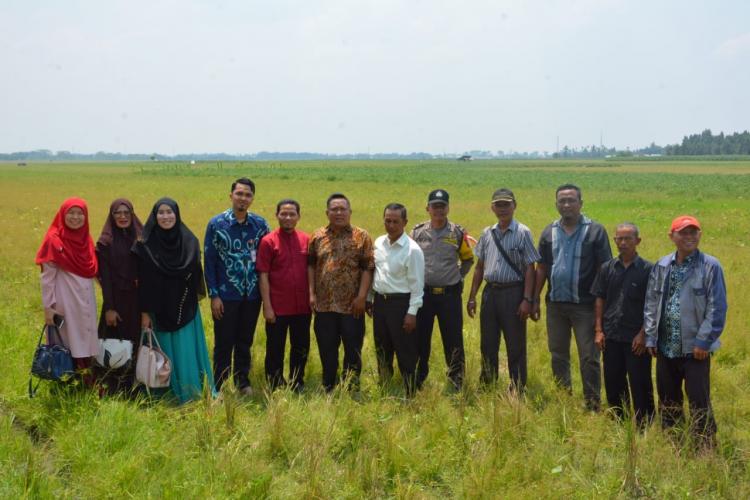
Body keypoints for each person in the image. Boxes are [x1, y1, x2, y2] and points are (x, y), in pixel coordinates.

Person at [644, 215, 727, 447]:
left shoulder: (710, 266)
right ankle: (673, 441)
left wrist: (704, 341)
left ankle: (705, 444)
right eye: (684, 232)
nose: (690, 237)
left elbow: (717, 307)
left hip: (695, 349)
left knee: (699, 399)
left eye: (694, 232)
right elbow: (651, 302)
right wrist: (651, 336)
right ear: (672, 236)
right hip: (666, 346)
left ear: (700, 235)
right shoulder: (661, 266)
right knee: (668, 398)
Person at [533, 184, 612, 410]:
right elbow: (542, 267)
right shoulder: (549, 232)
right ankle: (563, 398)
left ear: (581, 203)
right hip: (556, 305)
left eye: (571, 200)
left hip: (585, 306)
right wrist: (535, 298)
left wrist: (602, 306)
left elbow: (604, 269)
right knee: (558, 354)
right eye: (562, 201)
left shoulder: (596, 231)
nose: (566, 204)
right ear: (556, 204)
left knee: (589, 357)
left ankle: (592, 403)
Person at [134, 198, 214, 404]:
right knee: (160, 352)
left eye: (170, 212)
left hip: (184, 309)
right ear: (154, 216)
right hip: (156, 312)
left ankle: (190, 392)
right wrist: (144, 312)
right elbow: (141, 283)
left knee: (185, 352)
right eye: (161, 212)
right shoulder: (144, 245)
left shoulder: (189, 241)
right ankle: (162, 395)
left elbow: (196, 276)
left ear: (177, 215)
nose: (166, 216)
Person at [467, 188, 540, 392]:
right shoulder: (486, 233)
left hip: (513, 293)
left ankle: (517, 386)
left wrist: (527, 299)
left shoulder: (522, 232)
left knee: (515, 343)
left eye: (506, 204)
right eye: (498, 205)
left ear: (514, 205)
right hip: (490, 293)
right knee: (488, 342)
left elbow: (530, 268)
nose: (502, 209)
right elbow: (479, 267)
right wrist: (472, 296)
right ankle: (488, 383)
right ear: (492, 207)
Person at [204, 178, 270, 396]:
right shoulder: (217, 224)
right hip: (225, 294)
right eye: (239, 194)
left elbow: (266, 261)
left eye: (247, 195)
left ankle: (242, 380)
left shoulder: (260, 225)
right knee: (224, 341)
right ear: (231, 195)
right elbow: (210, 261)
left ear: (252, 198)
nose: (243, 198)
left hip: (252, 294)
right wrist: (214, 295)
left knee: (245, 340)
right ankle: (220, 385)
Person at [308, 193, 374, 393]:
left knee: (353, 349)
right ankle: (329, 385)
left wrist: (362, 297)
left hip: (352, 306)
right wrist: (311, 293)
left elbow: (368, 268)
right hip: (324, 305)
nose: (338, 213)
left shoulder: (361, 236)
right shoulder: (317, 236)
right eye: (334, 209)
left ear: (350, 212)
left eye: (342, 209)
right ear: (327, 212)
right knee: (327, 349)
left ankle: (351, 387)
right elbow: (310, 265)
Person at [591, 223, 654, 425]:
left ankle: (645, 423)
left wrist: (644, 334)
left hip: (636, 337)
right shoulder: (607, 268)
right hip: (611, 335)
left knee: (640, 381)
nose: (624, 243)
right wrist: (599, 330)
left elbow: (653, 304)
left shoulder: (648, 270)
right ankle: (619, 420)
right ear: (615, 241)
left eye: (628, 239)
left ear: (638, 241)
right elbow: (600, 299)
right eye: (620, 239)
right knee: (613, 380)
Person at [411, 189, 473, 391]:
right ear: (427, 208)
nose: (438, 210)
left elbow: (468, 259)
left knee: (453, 339)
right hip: (424, 295)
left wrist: (458, 276)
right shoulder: (417, 233)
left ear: (448, 207)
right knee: (420, 339)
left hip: (449, 296)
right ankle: (418, 378)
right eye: (434, 206)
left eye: (442, 206)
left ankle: (456, 380)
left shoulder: (457, 233)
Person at [36, 198, 100, 386]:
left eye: (80, 213)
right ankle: (68, 385)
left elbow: (92, 270)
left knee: (86, 338)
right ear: (62, 215)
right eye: (71, 213)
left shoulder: (85, 238)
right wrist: (48, 307)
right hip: (66, 300)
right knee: (68, 342)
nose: (75, 217)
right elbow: (47, 278)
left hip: (86, 299)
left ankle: (86, 383)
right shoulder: (54, 240)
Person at [369, 203, 425, 396]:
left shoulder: (413, 250)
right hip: (381, 303)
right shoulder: (378, 243)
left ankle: (410, 391)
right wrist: (370, 299)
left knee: (405, 349)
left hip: (401, 304)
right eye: (387, 220)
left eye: (396, 221)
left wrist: (412, 313)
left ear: (405, 222)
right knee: (382, 347)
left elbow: (418, 287)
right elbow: (376, 274)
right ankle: (385, 386)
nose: (391, 225)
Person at [257, 199, 311, 392]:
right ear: (277, 215)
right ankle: (275, 382)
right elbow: (263, 274)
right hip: (277, 306)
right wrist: (267, 306)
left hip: (302, 306)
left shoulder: (307, 240)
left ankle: (297, 381)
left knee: (301, 346)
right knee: (275, 347)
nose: (288, 218)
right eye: (284, 214)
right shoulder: (268, 241)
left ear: (298, 217)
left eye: (292, 214)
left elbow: (312, 271)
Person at [95, 198, 144, 393]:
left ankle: (135, 388)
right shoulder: (105, 243)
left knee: (137, 342)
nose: (122, 217)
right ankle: (113, 389)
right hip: (116, 302)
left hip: (138, 301)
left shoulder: (141, 239)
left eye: (126, 213)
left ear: (132, 214)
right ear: (111, 215)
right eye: (118, 213)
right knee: (113, 346)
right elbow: (105, 279)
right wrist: (109, 308)